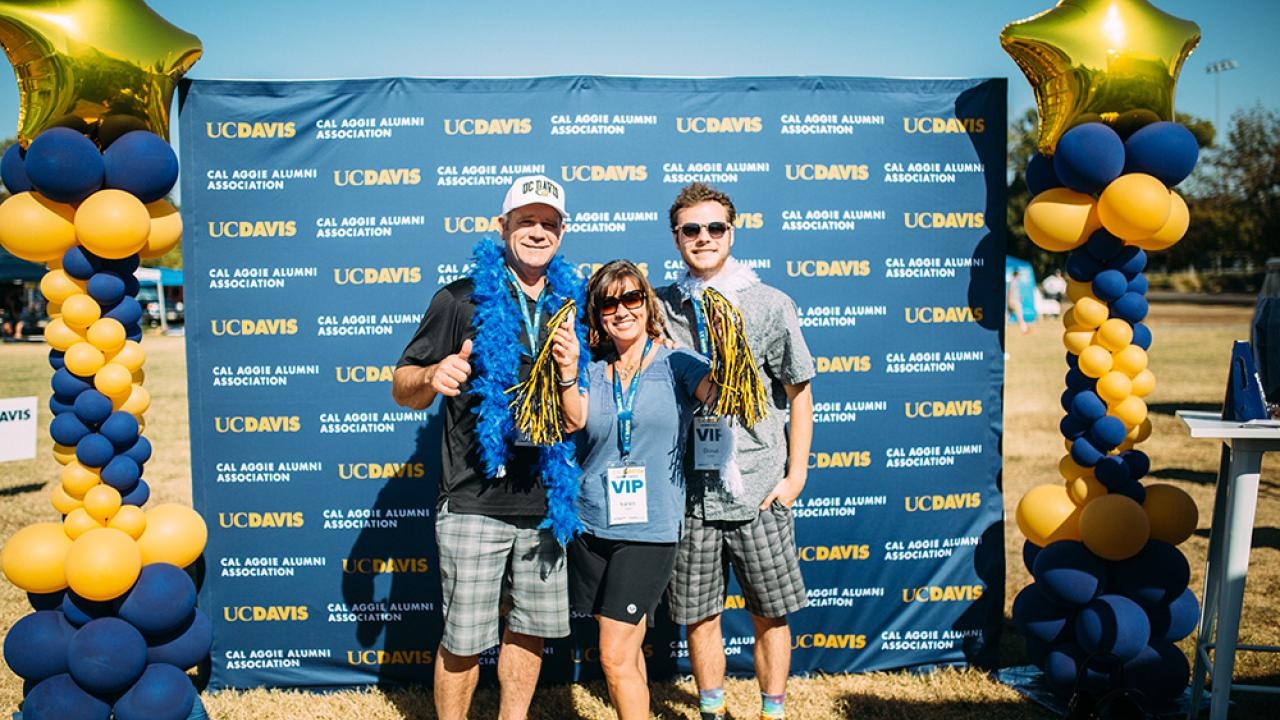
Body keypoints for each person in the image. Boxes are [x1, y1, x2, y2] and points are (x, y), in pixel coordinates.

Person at [392, 175, 586, 720]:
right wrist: (433, 373)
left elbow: (578, 412)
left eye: (549, 223)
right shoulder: (459, 299)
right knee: (464, 637)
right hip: (474, 498)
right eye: (526, 221)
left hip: (548, 501)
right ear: (502, 227)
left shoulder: (570, 303)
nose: (538, 231)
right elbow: (401, 385)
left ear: (562, 231)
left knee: (530, 631)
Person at [655, 183, 815, 720]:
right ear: (676, 237)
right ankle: (711, 711)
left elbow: (799, 392)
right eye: (691, 230)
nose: (703, 238)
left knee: (771, 613)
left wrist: (794, 478)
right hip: (689, 494)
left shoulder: (769, 302)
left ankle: (772, 711)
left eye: (714, 227)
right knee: (699, 614)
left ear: (733, 231)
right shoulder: (659, 307)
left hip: (757, 488)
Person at [570, 260, 714, 720]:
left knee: (612, 655)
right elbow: (573, 421)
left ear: (646, 303)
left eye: (631, 297)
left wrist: (728, 351)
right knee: (625, 653)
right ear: (597, 314)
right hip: (591, 524)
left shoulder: (677, 362)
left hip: (649, 530)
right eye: (609, 302)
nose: (621, 309)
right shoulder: (592, 372)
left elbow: (718, 391)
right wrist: (565, 369)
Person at [1008, 268, 1030, 334]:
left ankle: (1003, 329)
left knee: (1006, 316)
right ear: (1016, 274)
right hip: (1014, 301)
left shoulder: (1013, 281)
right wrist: (1009, 300)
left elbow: (1013, 292)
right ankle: (1024, 329)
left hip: (1013, 300)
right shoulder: (1014, 282)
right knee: (1020, 316)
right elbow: (1010, 291)